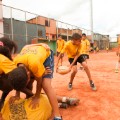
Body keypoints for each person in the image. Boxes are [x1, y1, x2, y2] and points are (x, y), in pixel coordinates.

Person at [13, 43, 62, 120]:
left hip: (46, 56)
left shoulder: (34, 64)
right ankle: (29, 96)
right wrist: (17, 94)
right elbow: (16, 79)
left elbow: (39, 82)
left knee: (45, 84)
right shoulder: (15, 64)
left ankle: (57, 115)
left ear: (28, 73)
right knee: (29, 83)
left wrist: (37, 96)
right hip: (33, 58)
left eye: (30, 77)